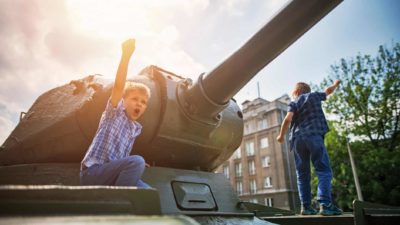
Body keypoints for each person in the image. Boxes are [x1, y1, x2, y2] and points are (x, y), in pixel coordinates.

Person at [80, 39, 151, 189]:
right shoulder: (114, 113)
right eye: (134, 99)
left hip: (112, 175)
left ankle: (123, 201)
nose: (139, 103)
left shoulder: (134, 129)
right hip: (93, 173)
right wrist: (126, 56)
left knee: (149, 192)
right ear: (123, 101)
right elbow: (119, 86)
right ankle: (117, 203)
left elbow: (120, 157)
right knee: (137, 161)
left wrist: (135, 165)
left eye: (143, 102)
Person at [276, 80, 342, 216]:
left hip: (297, 139)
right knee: (323, 169)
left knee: (302, 174)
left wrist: (281, 135)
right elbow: (328, 91)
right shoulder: (314, 96)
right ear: (308, 91)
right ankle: (325, 204)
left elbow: (288, 119)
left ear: (295, 92)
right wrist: (335, 84)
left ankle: (306, 207)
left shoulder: (293, 102)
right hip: (313, 135)